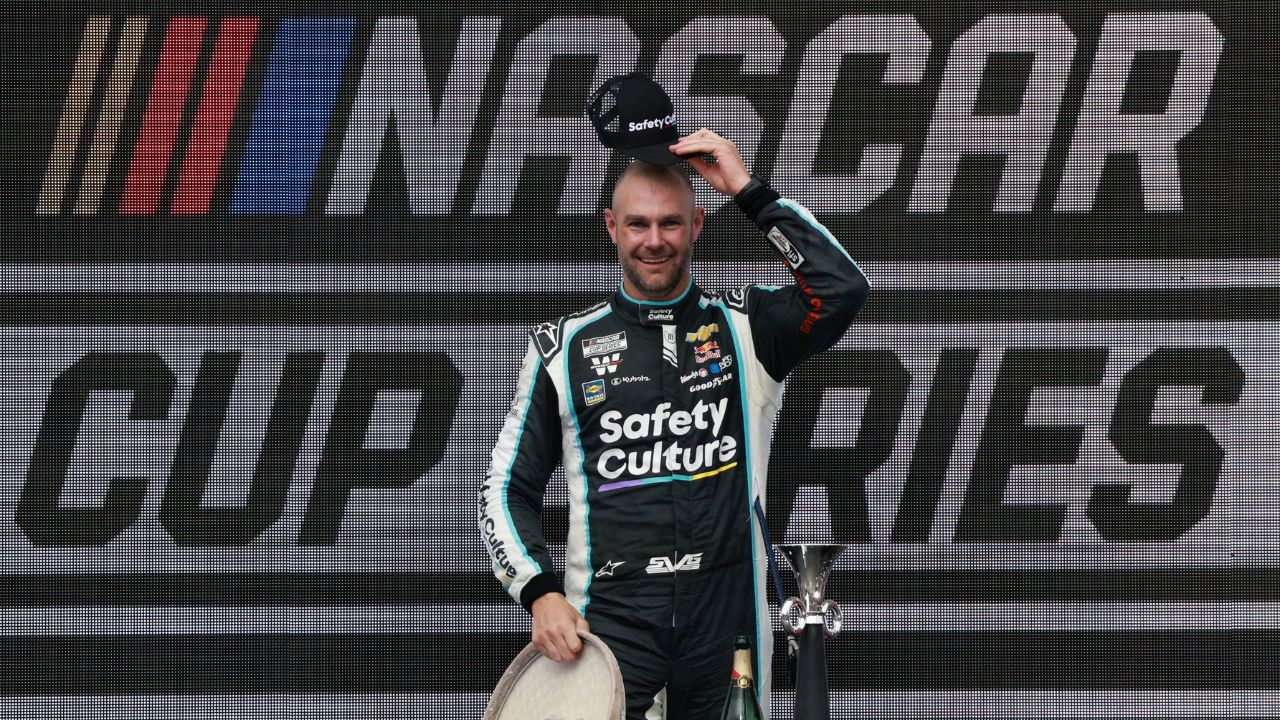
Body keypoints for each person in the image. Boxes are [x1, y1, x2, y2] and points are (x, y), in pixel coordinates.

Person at [479, 127, 869, 718]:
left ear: (698, 225)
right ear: (611, 227)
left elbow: (842, 290)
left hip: (728, 621)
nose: (654, 241)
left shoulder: (746, 329)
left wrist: (747, 190)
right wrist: (539, 593)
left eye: (671, 223)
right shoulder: (564, 350)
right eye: (638, 224)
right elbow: (505, 492)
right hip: (608, 628)